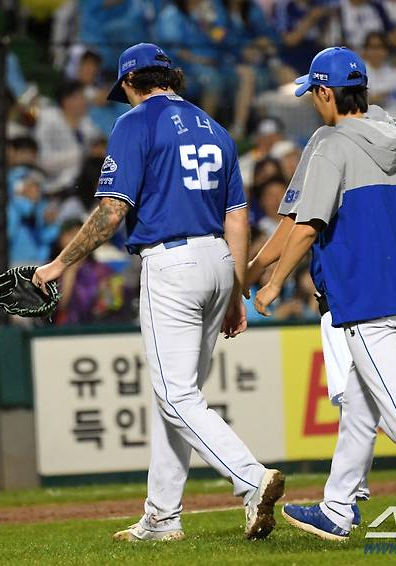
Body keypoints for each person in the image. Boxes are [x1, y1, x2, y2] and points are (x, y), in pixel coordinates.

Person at [33, 42, 285, 543]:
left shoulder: (134, 124)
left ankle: (252, 479)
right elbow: (237, 217)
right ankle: (162, 517)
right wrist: (235, 291)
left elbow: (111, 211)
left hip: (172, 262)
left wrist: (60, 263)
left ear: (130, 82)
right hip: (217, 261)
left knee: (175, 395)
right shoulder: (215, 127)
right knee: (176, 395)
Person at [252, 46, 396, 541]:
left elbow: (308, 225)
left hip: (362, 298)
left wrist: (271, 281)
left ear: (328, 92)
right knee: (361, 407)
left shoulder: (331, 144)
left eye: (314, 93)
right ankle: (337, 508)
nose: (314, 102)